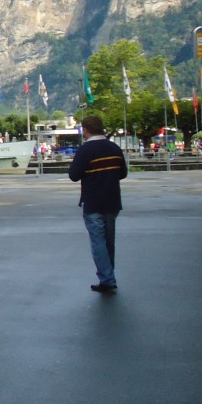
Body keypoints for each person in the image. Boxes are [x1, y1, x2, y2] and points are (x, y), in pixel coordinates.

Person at [68, 115, 127, 294]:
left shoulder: (86, 150)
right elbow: (123, 173)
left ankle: (107, 279)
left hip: (93, 201)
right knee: (109, 241)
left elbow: (74, 175)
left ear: (85, 129)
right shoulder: (114, 148)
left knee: (98, 242)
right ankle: (108, 275)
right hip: (113, 201)